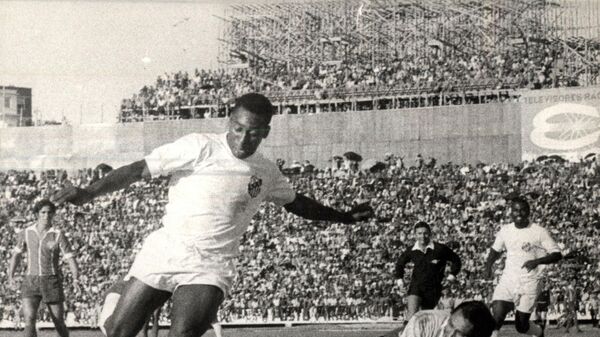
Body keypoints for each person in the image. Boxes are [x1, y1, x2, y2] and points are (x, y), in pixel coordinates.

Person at [54, 92, 373, 337]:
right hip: (166, 249)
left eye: (253, 132)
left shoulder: (266, 171)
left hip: (210, 262)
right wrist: (88, 193)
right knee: (118, 331)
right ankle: (115, 298)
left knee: (185, 333)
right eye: (238, 129)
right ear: (229, 122)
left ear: (266, 132)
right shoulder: (199, 147)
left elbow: (296, 202)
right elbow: (139, 170)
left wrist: (343, 217)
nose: (243, 139)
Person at [484, 196, 562, 337]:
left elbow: (557, 254)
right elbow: (495, 251)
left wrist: (536, 262)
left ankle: (538, 332)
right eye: (515, 210)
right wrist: (488, 267)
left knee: (521, 326)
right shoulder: (505, 231)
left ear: (529, 212)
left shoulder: (539, 231)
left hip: (530, 281)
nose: (519, 213)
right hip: (508, 280)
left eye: (523, 210)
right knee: (497, 314)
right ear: (511, 212)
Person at [7, 199, 79, 337]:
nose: (46, 216)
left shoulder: (58, 234)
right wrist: (10, 276)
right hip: (31, 281)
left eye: (49, 213)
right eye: (43, 212)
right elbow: (15, 255)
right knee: (29, 320)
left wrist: (75, 279)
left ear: (53, 215)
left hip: (51, 281)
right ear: (37, 214)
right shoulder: (26, 233)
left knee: (58, 322)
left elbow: (70, 258)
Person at [394, 221, 461, 320]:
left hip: (434, 289)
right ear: (415, 235)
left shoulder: (439, 249)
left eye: (425, 233)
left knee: (424, 318)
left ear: (430, 234)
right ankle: (405, 333)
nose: (423, 236)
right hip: (416, 286)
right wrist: (400, 282)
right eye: (419, 233)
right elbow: (399, 264)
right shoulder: (412, 250)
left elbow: (456, 260)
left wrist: (451, 277)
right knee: (411, 314)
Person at [380, 301, 496, 337]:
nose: (450, 335)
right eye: (450, 325)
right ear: (450, 316)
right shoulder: (423, 321)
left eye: (459, 334)